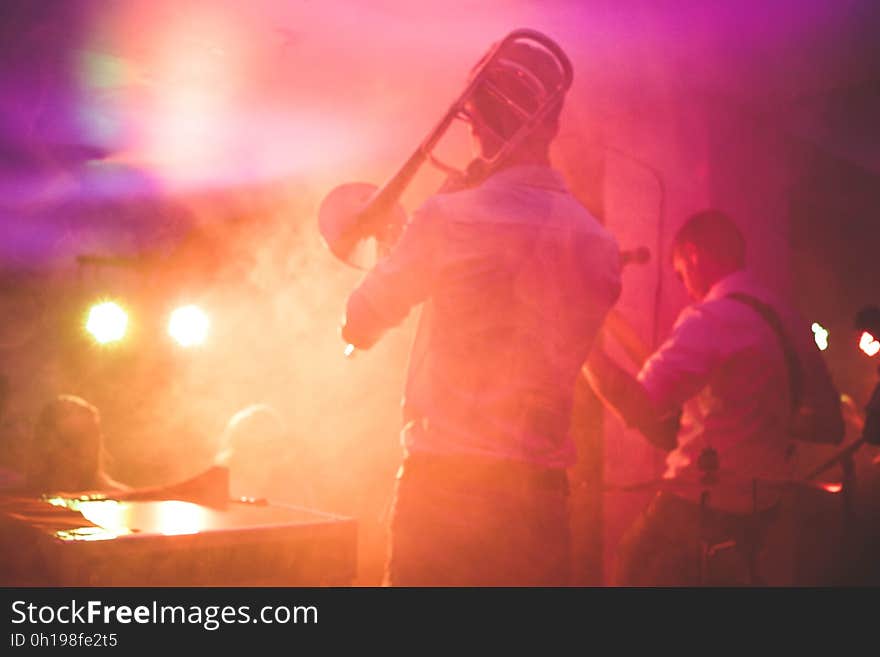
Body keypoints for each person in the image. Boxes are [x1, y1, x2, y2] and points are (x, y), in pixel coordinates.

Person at [339, 36, 621, 585]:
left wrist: (420, 233)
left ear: (476, 122)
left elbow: (360, 319)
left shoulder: (447, 219)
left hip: (444, 487)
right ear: (554, 124)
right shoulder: (600, 246)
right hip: (538, 500)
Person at [584, 209, 844, 585]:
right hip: (763, 507)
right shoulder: (791, 320)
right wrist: (758, 420)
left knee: (632, 568)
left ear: (693, 255)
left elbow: (638, 404)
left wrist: (577, 342)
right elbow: (830, 425)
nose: (684, 285)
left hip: (697, 505)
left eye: (679, 272)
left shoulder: (710, 318)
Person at [22, 394, 128, 494]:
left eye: (91, 438)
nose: (83, 450)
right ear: (45, 443)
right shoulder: (17, 501)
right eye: (70, 440)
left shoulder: (120, 501)